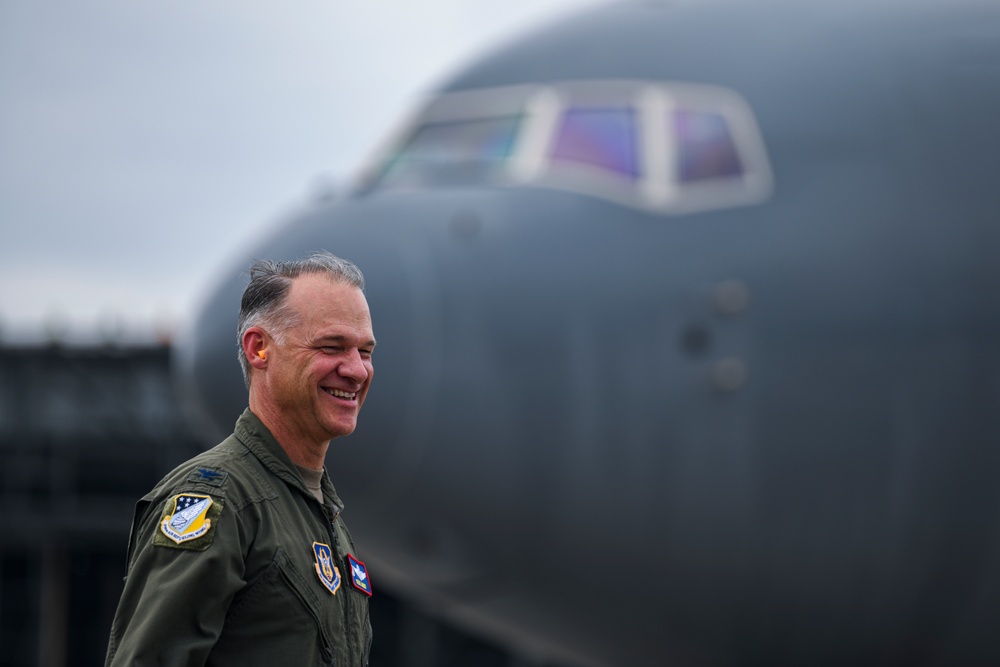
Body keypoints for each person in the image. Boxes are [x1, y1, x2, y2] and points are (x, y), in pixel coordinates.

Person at [105, 252, 376, 666]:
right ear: (259, 348)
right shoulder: (218, 501)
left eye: (365, 351)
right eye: (332, 346)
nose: (356, 370)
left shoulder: (319, 512)